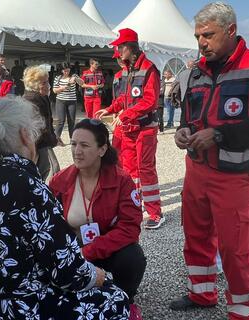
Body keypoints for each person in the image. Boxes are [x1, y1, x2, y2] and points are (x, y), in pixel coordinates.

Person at [0, 97, 129, 319]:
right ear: (25, 135)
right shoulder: (27, 187)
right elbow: (66, 271)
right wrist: (97, 276)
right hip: (24, 307)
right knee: (116, 297)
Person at [170, 3, 249, 319]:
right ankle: (202, 294)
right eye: (197, 36)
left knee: (235, 247)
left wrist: (218, 135)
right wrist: (183, 131)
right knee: (196, 235)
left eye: (208, 35)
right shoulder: (194, 71)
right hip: (196, 170)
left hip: (234, 174)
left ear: (230, 30)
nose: (201, 42)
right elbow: (189, 116)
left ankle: (242, 310)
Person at [49, 118, 146, 320]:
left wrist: (89, 251)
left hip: (106, 248)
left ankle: (125, 300)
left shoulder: (122, 180)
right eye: (74, 144)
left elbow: (130, 228)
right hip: (73, 248)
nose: (77, 151)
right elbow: (48, 225)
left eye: (84, 145)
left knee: (133, 257)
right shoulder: (60, 180)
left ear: (102, 150)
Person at [96, 28, 164, 229]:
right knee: (130, 170)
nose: (117, 51)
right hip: (128, 129)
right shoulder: (124, 71)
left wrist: (125, 114)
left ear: (130, 47)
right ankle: (136, 205)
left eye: (120, 46)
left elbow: (150, 100)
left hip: (145, 128)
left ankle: (155, 213)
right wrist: (110, 108)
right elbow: (122, 99)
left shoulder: (149, 69)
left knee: (146, 169)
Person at [22, 65, 60, 181]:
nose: (48, 85)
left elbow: (49, 121)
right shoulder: (31, 100)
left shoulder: (42, 97)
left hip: (43, 141)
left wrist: (54, 136)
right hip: (38, 143)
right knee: (52, 169)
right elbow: (39, 128)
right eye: (44, 83)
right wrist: (52, 140)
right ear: (35, 85)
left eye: (47, 81)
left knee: (47, 170)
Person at [53, 62, 82, 145]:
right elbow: (54, 90)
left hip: (72, 101)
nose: (66, 72)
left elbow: (82, 83)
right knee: (60, 121)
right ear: (61, 70)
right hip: (60, 101)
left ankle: (72, 138)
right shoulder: (58, 78)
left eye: (68, 70)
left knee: (71, 121)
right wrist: (63, 87)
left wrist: (76, 79)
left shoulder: (74, 76)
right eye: (65, 70)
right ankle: (56, 138)